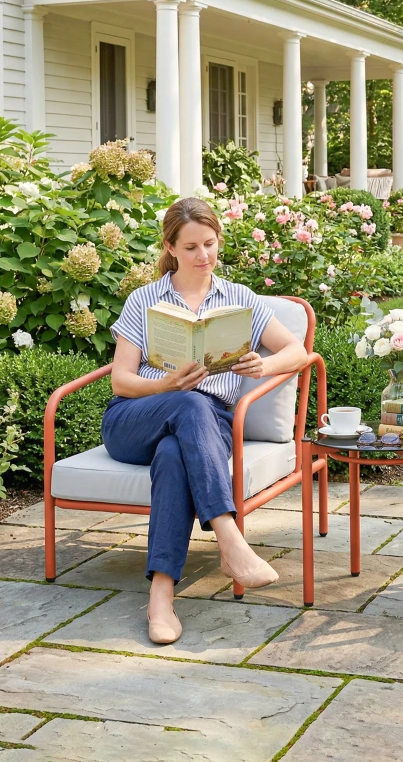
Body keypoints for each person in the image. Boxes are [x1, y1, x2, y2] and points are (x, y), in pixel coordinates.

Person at [102, 197, 307, 644]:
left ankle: (161, 599)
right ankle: (229, 539)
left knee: (176, 451)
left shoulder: (238, 299)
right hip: (135, 418)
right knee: (188, 402)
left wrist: (263, 367)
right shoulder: (145, 299)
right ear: (171, 247)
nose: (204, 256)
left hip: (207, 426)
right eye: (191, 247)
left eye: (210, 244)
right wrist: (166, 385)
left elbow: (297, 351)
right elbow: (120, 381)